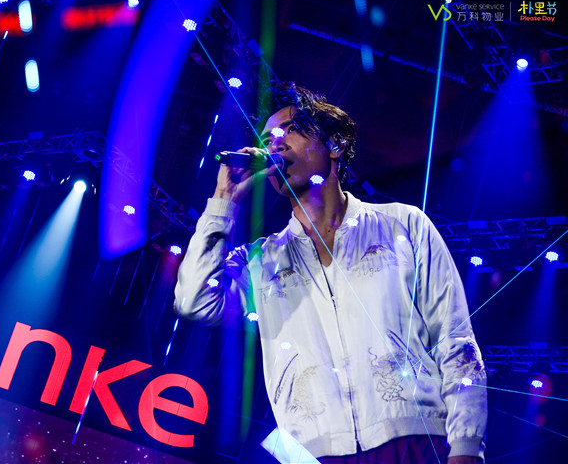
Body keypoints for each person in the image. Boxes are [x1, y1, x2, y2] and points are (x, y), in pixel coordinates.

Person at [174, 83, 487, 464]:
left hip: (416, 441)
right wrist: (224, 201)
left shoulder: (404, 226)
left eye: (291, 130)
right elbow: (194, 302)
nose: (275, 144)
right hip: (315, 453)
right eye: (268, 140)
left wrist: (467, 447)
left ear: (335, 145)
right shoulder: (261, 261)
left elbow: (455, 341)